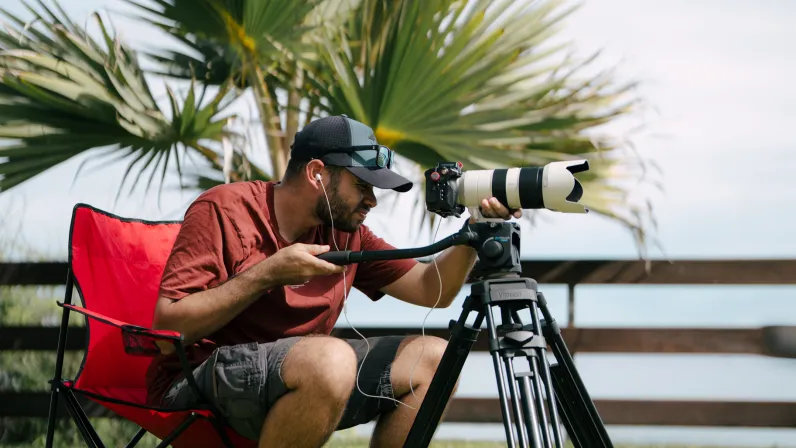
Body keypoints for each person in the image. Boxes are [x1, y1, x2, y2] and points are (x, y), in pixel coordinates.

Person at [145, 115, 522, 448]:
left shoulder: (346, 233)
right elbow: (167, 329)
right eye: (362, 185)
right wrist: (267, 274)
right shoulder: (224, 209)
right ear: (317, 174)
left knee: (436, 359)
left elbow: (430, 288)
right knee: (332, 359)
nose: (372, 200)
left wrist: (476, 230)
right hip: (198, 382)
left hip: (312, 376)